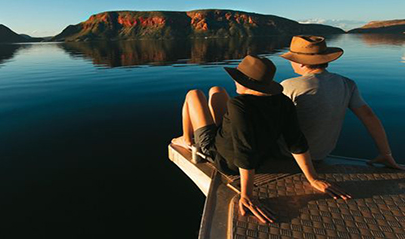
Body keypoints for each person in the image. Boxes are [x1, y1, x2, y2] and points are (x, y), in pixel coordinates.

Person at [172, 55, 351, 223]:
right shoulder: (282, 101)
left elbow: (245, 150)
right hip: (257, 154)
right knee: (217, 90)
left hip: (222, 157)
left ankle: (187, 140)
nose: (234, 81)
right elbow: (295, 141)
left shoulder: (239, 105)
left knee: (193, 94)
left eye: (237, 78)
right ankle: (194, 136)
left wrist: (247, 194)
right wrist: (312, 178)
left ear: (247, 83)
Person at [280, 35, 402, 169]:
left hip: (287, 153)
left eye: (292, 59)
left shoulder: (289, 85)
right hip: (321, 153)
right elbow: (369, 117)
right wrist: (386, 153)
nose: (291, 62)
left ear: (301, 62)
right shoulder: (347, 83)